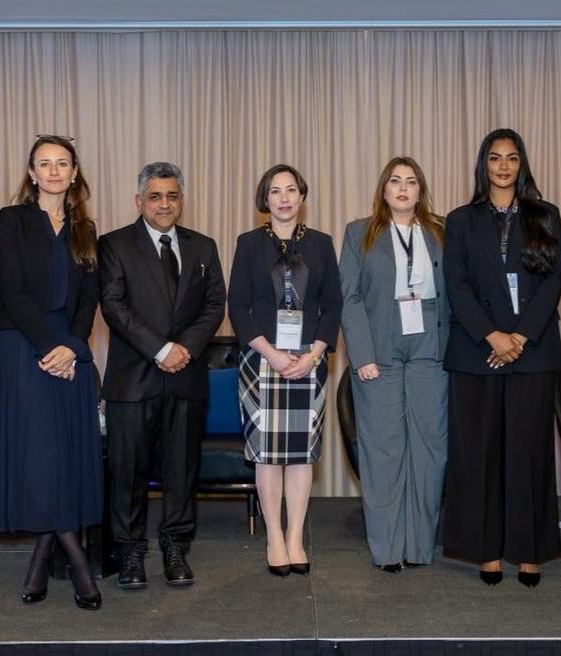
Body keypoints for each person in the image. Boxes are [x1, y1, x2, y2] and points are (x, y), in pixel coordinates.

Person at [0, 135, 104, 611]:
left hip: (71, 353)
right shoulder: (12, 219)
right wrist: (51, 348)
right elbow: (11, 291)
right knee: (40, 459)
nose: (54, 171)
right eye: (44, 164)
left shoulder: (85, 229)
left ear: (74, 173)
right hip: (25, 349)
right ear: (32, 173)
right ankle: (78, 563)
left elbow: (89, 299)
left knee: (66, 460)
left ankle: (40, 560)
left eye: (62, 164)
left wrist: (71, 347)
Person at [442, 130, 561, 587]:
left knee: (529, 454)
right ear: (484, 165)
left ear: (522, 164)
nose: (503, 166)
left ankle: (529, 553)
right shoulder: (460, 220)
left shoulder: (546, 215)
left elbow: (554, 282)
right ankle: (486, 552)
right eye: (495, 158)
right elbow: (456, 285)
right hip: (477, 352)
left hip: (532, 353)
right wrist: (493, 336)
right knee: (480, 455)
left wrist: (520, 337)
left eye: (512, 158)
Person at [99, 162, 226, 589]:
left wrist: (183, 348)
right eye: (155, 196)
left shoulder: (203, 247)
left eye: (172, 196)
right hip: (133, 380)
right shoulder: (114, 244)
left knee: (181, 472)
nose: (164, 204)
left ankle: (175, 548)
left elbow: (214, 305)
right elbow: (114, 306)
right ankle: (130, 553)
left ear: (181, 200)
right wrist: (161, 349)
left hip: (186, 378)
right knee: (127, 473)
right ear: (139, 201)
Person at [230, 164, 342, 576]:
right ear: (265, 199)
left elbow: (333, 305)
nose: (283, 198)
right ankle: (274, 537)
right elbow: (238, 306)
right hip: (262, 359)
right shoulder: (248, 244)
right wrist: (273, 354)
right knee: (268, 455)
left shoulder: (321, 244)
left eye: (291, 190)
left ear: (302, 196)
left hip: (309, 360)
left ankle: (295, 536)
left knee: (300, 456)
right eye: (275, 191)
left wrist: (314, 355)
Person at [339, 157, 448, 572]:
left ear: (420, 190)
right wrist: (362, 355)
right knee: (383, 450)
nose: (403, 188)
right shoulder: (359, 233)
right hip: (380, 345)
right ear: (383, 189)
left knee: (429, 449)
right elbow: (349, 297)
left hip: (431, 345)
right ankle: (387, 550)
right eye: (395, 181)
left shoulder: (442, 231)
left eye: (411, 182)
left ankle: (419, 547)